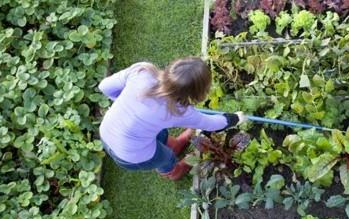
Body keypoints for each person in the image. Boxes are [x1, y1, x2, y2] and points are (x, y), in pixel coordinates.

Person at [98, 57, 246, 181]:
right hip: (130, 155)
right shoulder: (179, 111)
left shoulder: (142, 72)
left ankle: (176, 144)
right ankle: (174, 171)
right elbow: (212, 124)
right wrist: (235, 118)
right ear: (198, 93)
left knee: (160, 133)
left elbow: (104, 86)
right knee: (165, 157)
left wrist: (126, 104)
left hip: (106, 132)